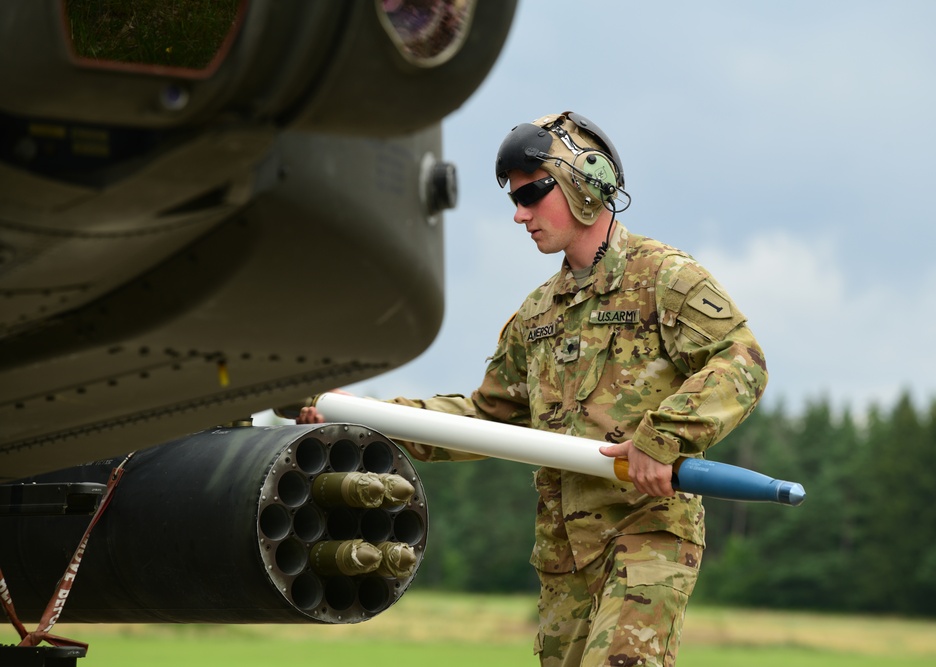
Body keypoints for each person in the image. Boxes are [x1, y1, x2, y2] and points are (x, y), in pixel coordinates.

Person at [299, 111, 767, 667]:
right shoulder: (537, 314)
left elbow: (742, 361)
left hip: (646, 539)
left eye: (533, 195)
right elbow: (486, 418)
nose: (520, 215)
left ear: (586, 184)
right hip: (562, 557)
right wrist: (373, 418)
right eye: (514, 201)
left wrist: (661, 438)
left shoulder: (663, 278)